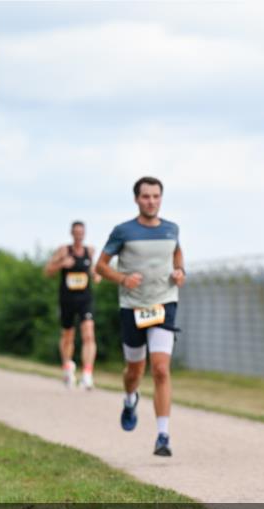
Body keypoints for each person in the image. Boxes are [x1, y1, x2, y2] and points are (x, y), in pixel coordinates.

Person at [96, 176, 185, 457]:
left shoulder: (172, 229)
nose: (151, 201)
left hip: (164, 304)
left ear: (161, 198)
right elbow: (100, 266)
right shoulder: (123, 231)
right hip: (133, 307)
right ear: (137, 199)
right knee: (134, 370)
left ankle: (163, 435)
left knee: (160, 368)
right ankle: (130, 397)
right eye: (146, 196)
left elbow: (178, 256)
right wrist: (122, 278)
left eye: (156, 196)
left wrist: (180, 272)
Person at [45, 221, 100, 389]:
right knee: (68, 336)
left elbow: (95, 272)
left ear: (84, 233)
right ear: (71, 233)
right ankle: (68, 367)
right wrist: (61, 264)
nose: (79, 235)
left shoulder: (89, 251)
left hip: (85, 299)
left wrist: (97, 275)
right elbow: (47, 271)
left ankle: (87, 374)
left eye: (81, 232)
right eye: (76, 232)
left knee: (89, 335)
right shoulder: (63, 250)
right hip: (67, 300)